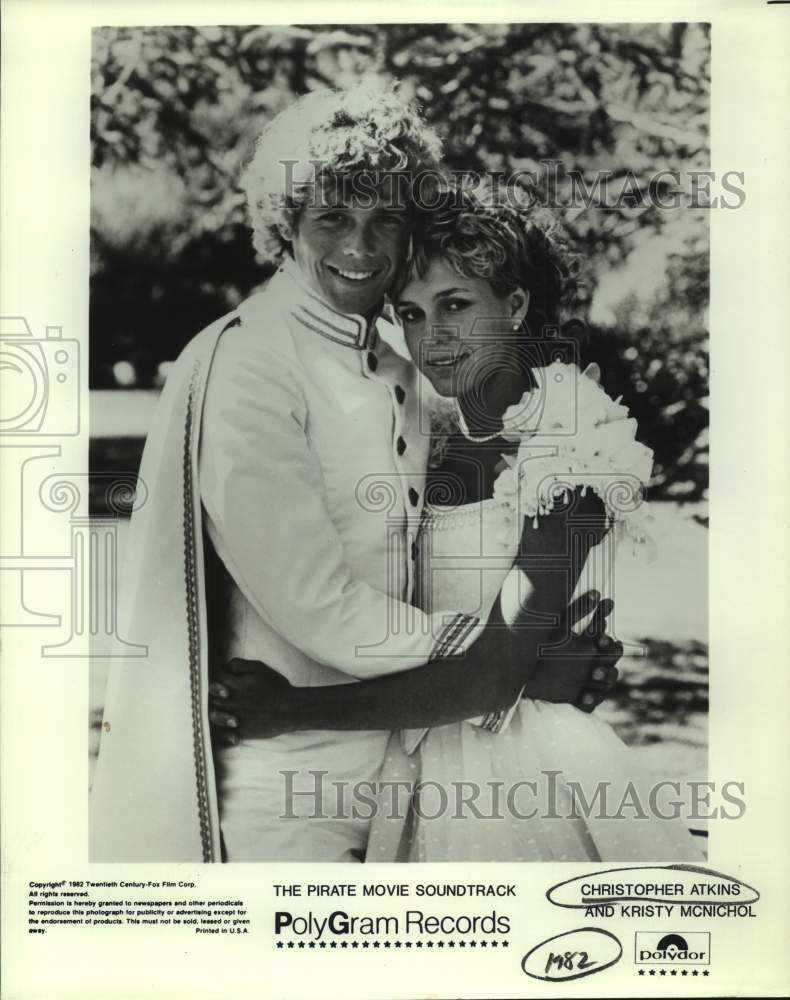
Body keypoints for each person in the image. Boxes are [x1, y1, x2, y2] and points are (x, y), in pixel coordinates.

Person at [90, 85, 617, 863]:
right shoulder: (251, 364)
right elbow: (316, 600)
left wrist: (538, 644)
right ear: (286, 222)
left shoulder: (402, 374)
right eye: (333, 216)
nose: (361, 247)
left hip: (408, 762)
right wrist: (513, 660)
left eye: (386, 220)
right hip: (280, 767)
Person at [209, 183, 705, 863]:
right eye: (411, 314)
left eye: (456, 306)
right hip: (407, 751)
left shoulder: (569, 439)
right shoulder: (423, 427)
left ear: (517, 305)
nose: (432, 339)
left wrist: (289, 710)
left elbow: (493, 678)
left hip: (516, 767)